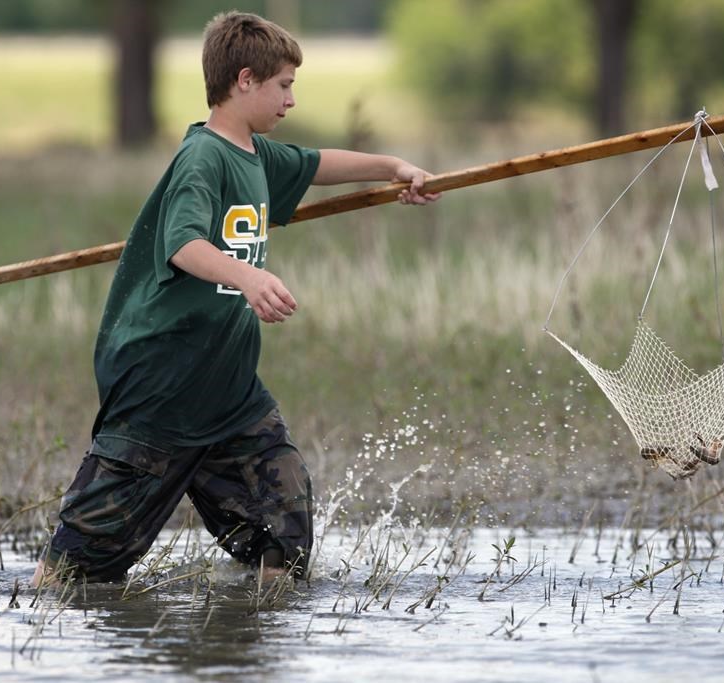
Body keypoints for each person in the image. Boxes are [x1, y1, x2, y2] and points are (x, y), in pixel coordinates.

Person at [33, 11, 440, 586]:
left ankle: (253, 635)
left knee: (286, 527)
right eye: (284, 86)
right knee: (84, 565)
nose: (291, 101)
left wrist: (393, 168)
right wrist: (248, 279)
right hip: (163, 385)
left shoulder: (256, 154)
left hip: (228, 391)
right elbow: (182, 244)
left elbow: (319, 163)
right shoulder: (204, 157)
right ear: (244, 80)